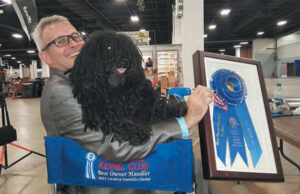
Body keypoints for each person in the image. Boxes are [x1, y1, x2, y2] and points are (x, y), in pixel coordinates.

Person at [32, 15, 213, 194]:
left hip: (126, 172)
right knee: (195, 169)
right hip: (112, 182)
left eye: (75, 36)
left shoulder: (86, 78)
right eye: (61, 41)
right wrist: (186, 121)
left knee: (196, 166)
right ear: (44, 57)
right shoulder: (61, 91)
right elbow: (117, 147)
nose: (74, 44)